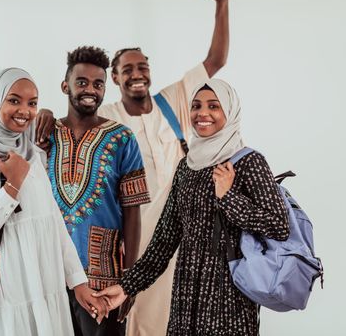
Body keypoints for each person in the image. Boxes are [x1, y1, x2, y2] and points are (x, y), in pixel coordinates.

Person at [94, 78, 290, 336]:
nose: (203, 113)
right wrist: (126, 287)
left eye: (213, 106)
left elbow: (279, 225)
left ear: (229, 112)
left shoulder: (248, 162)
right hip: (187, 297)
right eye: (196, 106)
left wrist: (229, 198)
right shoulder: (187, 168)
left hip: (229, 298)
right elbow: (164, 241)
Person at [95, 0, 230, 333]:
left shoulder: (173, 101)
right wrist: (48, 113)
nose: (137, 73)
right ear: (115, 77)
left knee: (188, 314)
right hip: (137, 238)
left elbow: (215, 60)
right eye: (128, 69)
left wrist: (222, 3)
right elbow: (73, 121)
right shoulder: (107, 117)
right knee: (143, 320)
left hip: (184, 230)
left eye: (143, 66)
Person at [0, 68, 108, 336]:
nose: (24, 110)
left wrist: (78, 283)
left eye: (32, 102)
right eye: (14, 100)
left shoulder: (32, 154)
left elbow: (53, 223)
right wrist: (12, 186)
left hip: (45, 285)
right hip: (7, 296)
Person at [46, 46, 151, 336]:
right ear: (65, 86)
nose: (90, 89)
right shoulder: (46, 135)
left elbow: (133, 212)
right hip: (50, 276)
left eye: (98, 83)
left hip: (104, 278)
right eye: (82, 82)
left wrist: (129, 282)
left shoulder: (122, 139)